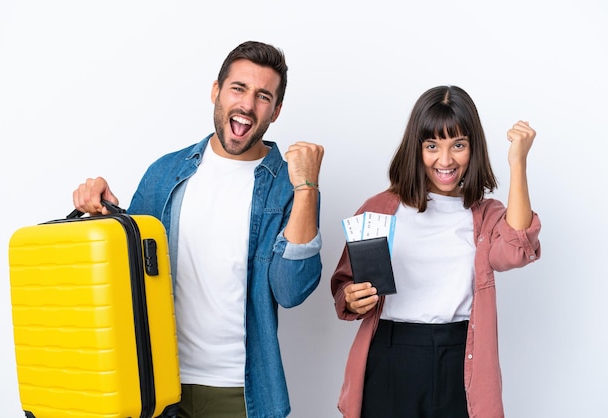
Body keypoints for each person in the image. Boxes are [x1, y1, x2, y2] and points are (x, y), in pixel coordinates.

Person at [73, 41, 324, 418]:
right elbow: (130, 272)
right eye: (238, 88)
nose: (247, 105)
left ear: (276, 111)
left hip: (240, 391)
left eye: (263, 96)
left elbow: (290, 290)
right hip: (157, 383)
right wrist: (101, 212)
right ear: (216, 91)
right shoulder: (165, 173)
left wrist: (307, 187)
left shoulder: (287, 185)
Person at [330, 85, 541, 418]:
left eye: (458, 145)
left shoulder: (484, 215)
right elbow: (344, 287)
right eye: (432, 146)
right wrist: (352, 297)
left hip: (460, 357)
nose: (445, 160)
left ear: (473, 148)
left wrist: (518, 163)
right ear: (417, 149)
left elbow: (516, 250)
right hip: (389, 356)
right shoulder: (378, 209)